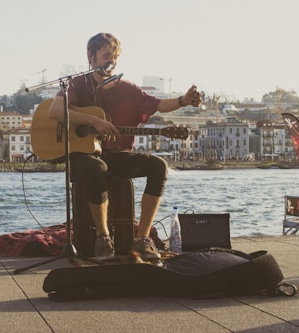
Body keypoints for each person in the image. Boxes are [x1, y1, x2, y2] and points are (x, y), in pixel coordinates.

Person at [48, 32, 201, 261]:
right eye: (107, 55)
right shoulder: (77, 84)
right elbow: (54, 111)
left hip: (117, 155)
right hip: (81, 155)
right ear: (91, 56)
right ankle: (102, 237)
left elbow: (158, 104)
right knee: (95, 167)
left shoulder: (128, 89)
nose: (112, 61)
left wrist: (182, 101)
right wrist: (94, 121)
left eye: (116, 56)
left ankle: (142, 239)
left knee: (158, 166)